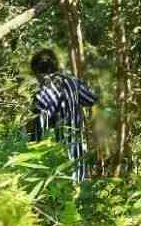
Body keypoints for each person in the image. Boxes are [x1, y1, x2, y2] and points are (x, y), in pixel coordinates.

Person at [29, 48, 98, 182]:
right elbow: (91, 99)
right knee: (78, 184)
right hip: (77, 146)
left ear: (38, 72)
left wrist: (32, 139)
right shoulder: (72, 81)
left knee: (60, 185)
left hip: (57, 148)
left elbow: (40, 112)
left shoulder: (47, 86)